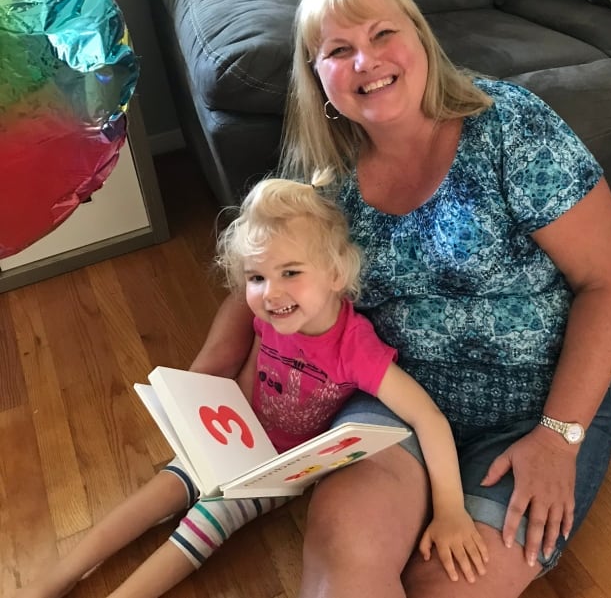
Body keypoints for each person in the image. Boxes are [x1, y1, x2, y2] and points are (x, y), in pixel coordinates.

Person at [180, 0, 611, 598]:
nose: (365, 61)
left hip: (536, 408)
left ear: (420, 36)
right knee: (344, 572)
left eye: (382, 34)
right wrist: (201, 389)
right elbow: (259, 276)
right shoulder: (328, 173)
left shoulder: (511, 128)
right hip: (390, 396)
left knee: (447, 586)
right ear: (317, 78)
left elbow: (610, 285)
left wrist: (559, 441)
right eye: (338, 50)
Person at [16, 177, 488, 598]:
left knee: (201, 529)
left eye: (290, 273)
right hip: (229, 434)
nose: (271, 293)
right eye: (257, 277)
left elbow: (427, 416)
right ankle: (57, 578)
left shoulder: (354, 348)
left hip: (274, 471)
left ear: (336, 274)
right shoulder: (273, 317)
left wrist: (450, 509)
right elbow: (240, 370)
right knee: (154, 495)